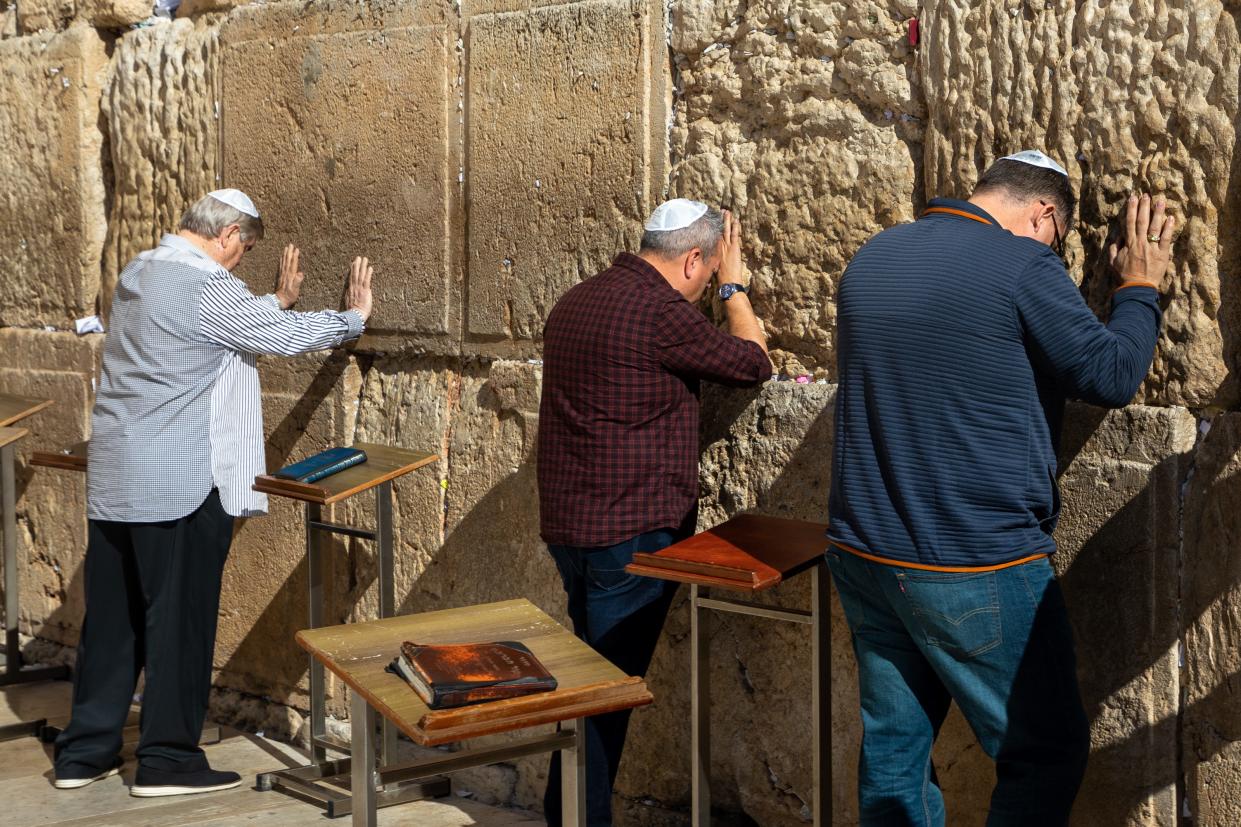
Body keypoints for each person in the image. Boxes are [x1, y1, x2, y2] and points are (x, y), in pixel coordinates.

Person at [825, 150, 1174, 825]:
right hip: (972, 559)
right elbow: (1107, 375)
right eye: (1058, 240)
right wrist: (1136, 287)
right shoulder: (1020, 263)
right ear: (1044, 214)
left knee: (895, 750)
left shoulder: (875, 254)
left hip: (863, 551)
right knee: (1044, 750)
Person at [52, 189, 375, 797]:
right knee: (179, 624)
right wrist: (350, 320)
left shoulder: (140, 270)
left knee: (114, 623)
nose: (240, 261)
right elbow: (271, 337)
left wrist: (270, 301)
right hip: (178, 482)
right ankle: (168, 761)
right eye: (244, 250)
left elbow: (206, 333)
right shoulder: (208, 285)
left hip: (118, 477)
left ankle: (84, 754)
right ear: (227, 235)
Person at [537, 199, 772, 825]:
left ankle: (561, 813)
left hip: (571, 530)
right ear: (694, 258)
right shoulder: (661, 311)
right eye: (708, 270)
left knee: (589, 687)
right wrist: (735, 289)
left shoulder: (576, 299)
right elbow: (753, 362)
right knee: (605, 700)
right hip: (629, 536)